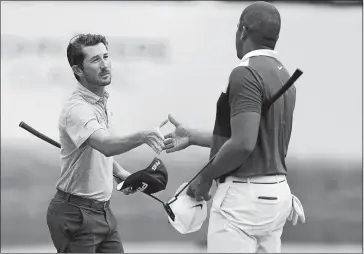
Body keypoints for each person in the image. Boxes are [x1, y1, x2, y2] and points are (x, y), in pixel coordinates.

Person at [163, 2, 305, 253]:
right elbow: (253, 137)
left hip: (243, 201)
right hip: (278, 195)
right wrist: (192, 137)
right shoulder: (284, 75)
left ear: (242, 31)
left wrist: (204, 177)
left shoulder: (245, 73)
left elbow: (242, 144)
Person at [46, 33, 166, 253]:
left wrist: (120, 173)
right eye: (95, 60)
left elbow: (100, 153)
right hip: (75, 214)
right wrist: (142, 136)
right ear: (78, 70)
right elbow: (106, 145)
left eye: (106, 56)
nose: (104, 65)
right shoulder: (77, 109)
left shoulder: (101, 102)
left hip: (103, 212)